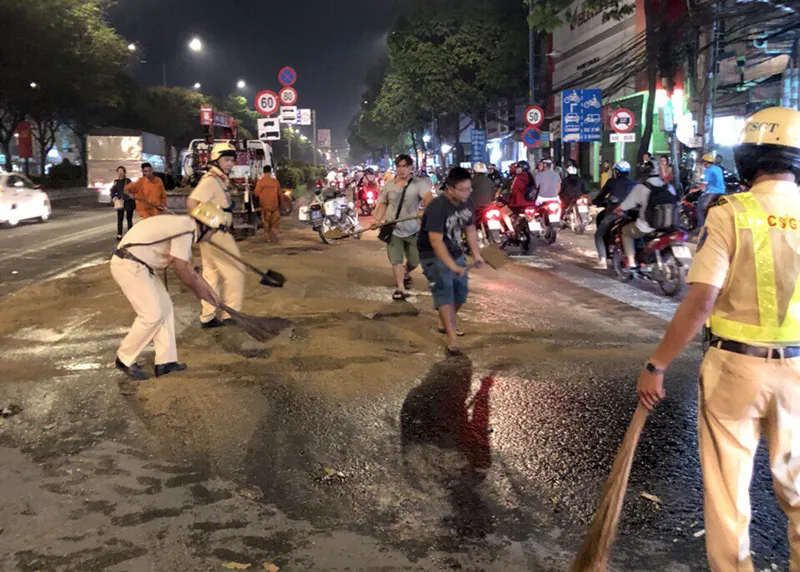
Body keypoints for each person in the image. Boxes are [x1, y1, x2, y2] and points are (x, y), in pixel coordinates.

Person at [634, 106, 800, 571]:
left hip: (735, 369)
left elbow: (701, 299)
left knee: (729, 493)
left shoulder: (732, 213)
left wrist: (657, 364)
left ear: (749, 156)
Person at [112, 202, 226, 381]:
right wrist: (202, 294)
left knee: (165, 309)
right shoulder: (185, 230)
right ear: (206, 226)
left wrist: (210, 293)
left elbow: (190, 269)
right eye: (214, 231)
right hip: (130, 265)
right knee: (151, 316)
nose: (212, 236)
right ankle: (124, 359)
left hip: (139, 265)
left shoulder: (184, 226)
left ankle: (166, 362)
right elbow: (182, 269)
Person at [417, 167, 484, 356]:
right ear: (450, 188)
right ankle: (452, 337)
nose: (468, 192)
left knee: (461, 293)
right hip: (432, 254)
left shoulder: (467, 202)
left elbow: (470, 228)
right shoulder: (437, 207)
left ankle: (444, 321)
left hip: (454, 251)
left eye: (469, 188)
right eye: (463, 189)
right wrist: (452, 266)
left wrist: (476, 254)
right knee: (445, 289)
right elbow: (435, 240)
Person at [186, 142, 245, 329]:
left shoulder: (219, 180)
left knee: (211, 275)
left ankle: (208, 316)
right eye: (226, 160)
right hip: (217, 233)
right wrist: (210, 223)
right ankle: (230, 315)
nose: (230, 164)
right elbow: (192, 203)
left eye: (232, 160)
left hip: (212, 235)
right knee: (236, 272)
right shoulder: (211, 180)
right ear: (215, 160)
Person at [372, 154, 434, 301]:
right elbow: (383, 204)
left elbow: (428, 199)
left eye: (405, 166)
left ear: (411, 167)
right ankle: (400, 288)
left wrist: (427, 211)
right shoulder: (389, 185)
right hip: (392, 229)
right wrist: (377, 220)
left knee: (415, 260)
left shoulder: (419, 184)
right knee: (396, 261)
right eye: (399, 166)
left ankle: (406, 272)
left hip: (412, 229)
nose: (402, 169)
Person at [615, 161, 677, 268]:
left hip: (648, 226)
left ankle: (631, 262)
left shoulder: (642, 187)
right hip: (669, 225)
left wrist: (617, 210)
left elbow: (626, 205)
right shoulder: (669, 187)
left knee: (625, 232)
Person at [593, 160, 636, 268]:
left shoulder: (612, 182)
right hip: (630, 215)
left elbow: (601, 195)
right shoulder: (634, 184)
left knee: (599, 235)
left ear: (617, 171)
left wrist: (595, 202)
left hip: (614, 213)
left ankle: (603, 260)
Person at [691, 153, 726, 228]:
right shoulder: (718, 169)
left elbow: (704, 184)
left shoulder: (708, 170)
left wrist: (695, 190)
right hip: (722, 192)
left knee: (700, 208)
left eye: (703, 162)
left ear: (705, 162)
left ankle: (701, 227)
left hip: (712, 193)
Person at [254, 165, 282, 243]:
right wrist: (280, 204)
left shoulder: (261, 182)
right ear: (270, 171)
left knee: (266, 222)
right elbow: (279, 194)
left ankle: (268, 237)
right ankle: (274, 235)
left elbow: (256, 193)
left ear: (263, 172)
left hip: (265, 206)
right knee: (275, 221)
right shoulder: (275, 181)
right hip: (274, 206)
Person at [111, 166, 134, 240]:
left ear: (124, 172)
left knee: (129, 218)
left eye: (121, 171)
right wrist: (114, 197)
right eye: (118, 171)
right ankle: (119, 234)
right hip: (120, 201)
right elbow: (113, 191)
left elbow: (132, 189)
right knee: (120, 219)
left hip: (128, 201)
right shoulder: (116, 182)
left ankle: (130, 234)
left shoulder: (128, 181)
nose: (120, 172)